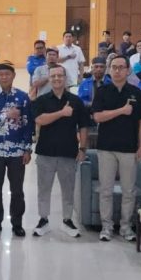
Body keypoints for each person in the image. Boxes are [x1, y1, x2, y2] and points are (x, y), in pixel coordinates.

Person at [92, 55, 141, 242]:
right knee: (106, 190)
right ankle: (106, 227)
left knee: (128, 191)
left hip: (129, 148)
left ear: (127, 70)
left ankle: (126, 227)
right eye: (114, 67)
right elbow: (98, 117)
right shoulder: (102, 91)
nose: (117, 71)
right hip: (106, 147)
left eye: (121, 67)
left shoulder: (136, 93)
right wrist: (121, 111)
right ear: (109, 70)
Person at [32, 64, 90, 238]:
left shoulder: (76, 101)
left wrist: (83, 148)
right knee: (44, 189)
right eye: (53, 76)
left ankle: (67, 220)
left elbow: (83, 126)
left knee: (68, 189)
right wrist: (62, 113)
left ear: (65, 78)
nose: (56, 79)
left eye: (60, 76)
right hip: (45, 152)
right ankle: (43, 219)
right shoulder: (42, 100)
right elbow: (40, 120)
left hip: (68, 152)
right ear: (49, 79)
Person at [0, 62, 34, 237]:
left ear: (13, 76)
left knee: (17, 190)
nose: (4, 77)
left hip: (17, 151)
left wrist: (27, 149)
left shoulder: (22, 97)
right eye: (1, 74)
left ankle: (17, 223)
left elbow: (28, 124)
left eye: (7, 74)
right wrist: (6, 115)